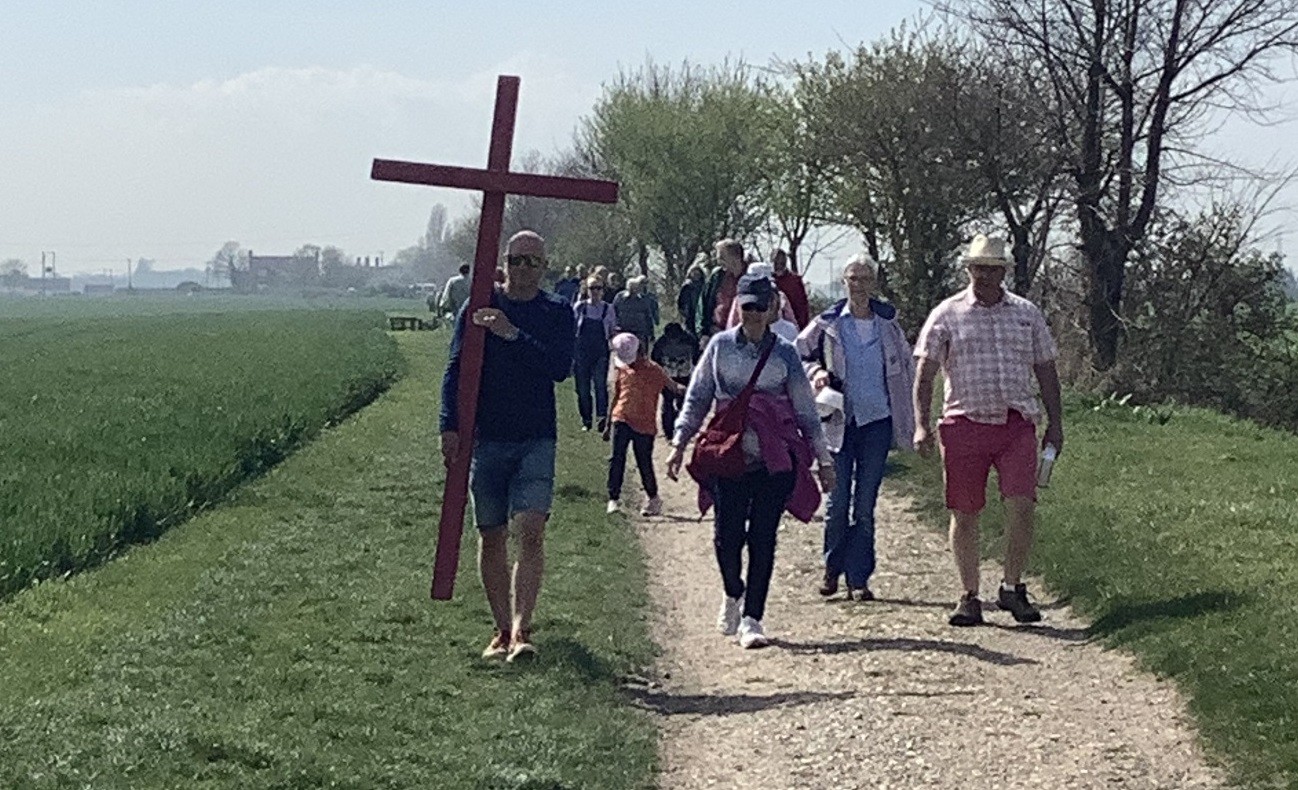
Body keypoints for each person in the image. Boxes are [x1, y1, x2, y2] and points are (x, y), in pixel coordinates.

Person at [667, 270, 836, 649]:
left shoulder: (786, 354)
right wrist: (679, 444)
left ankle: (752, 618)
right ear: (737, 307)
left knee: (763, 538)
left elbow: (806, 411)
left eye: (761, 306)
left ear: (772, 308)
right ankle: (732, 592)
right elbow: (697, 397)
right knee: (727, 538)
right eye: (747, 307)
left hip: (772, 461)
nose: (754, 314)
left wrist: (823, 460)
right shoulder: (720, 348)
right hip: (729, 456)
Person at [912, 234, 1063, 627]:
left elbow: (1046, 369)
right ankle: (969, 593)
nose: (986, 275)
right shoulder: (947, 314)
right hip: (964, 423)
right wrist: (921, 425)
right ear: (969, 269)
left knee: (1022, 504)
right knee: (965, 511)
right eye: (979, 268)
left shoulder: (1026, 314)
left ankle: (1012, 586)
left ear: (1004, 272)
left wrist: (1056, 424)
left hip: (1016, 423)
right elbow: (925, 372)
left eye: (993, 269)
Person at [440, 230, 576, 662]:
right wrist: (449, 424)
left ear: (544, 267)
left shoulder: (555, 311)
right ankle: (500, 629)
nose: (522, 270)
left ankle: (522, 628)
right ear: (504, 263)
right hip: (488, 435)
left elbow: (558, 368)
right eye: (516, 261)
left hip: (536, 434)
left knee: (531, 528)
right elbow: (455, 367)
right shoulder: (479, 308)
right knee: (491, 532)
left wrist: (512, 334)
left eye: (531, 262)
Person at [796, 254, 916, 601]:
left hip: (876, 422)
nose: (858, 285)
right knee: (837, 501)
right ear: (844, 282)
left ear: (873, 283)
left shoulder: (888, 326)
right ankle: (833, 568)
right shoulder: (829, 323)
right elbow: (799, 353)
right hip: (838, 424)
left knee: (864, 505)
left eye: (864, 279)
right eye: (852, 278)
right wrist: (816, 373)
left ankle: (859, 578)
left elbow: (905, 370)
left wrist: (909, 422)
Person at [605, 333, 682, 516]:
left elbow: (673, 387)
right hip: (621, 418)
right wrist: (609, 423)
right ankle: (613, 498)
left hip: (645, 424)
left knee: (644, 462)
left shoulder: (654, 370)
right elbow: (616, 396)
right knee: (617, 458)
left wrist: (699, 392)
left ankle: (653, 498)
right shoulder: (621, 369)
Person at [572, 276, 616, 432]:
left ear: (603, 291)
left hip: (600, 351)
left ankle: (601, 419)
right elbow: (572, 329)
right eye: (592, 288)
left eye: (598, 288)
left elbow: (612, 331)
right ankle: (586, 419)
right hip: (581, 352)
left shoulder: (608, 309)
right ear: (587, 290)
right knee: (582, 389)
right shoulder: (579, 307)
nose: (595, 292)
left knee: (600, 386)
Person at [651, 321, 700, 439]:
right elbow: (697, 357)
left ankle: (671, 431)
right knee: (678, 403)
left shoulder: (662, 342)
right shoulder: (690, 340)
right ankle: (678, 430)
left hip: (672, 376)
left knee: (670, 403)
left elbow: (655, 359)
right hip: (679, 376)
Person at [702, 239, 747, 337]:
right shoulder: (717, 276)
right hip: (716, 331)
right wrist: (704, 332)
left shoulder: (750, 275)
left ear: (736, 257)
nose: (718, 261)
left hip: (743, 334)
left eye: (722, 257)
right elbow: (704, 305)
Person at [612, 275, 657, 347]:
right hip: (623, 331)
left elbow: (648, 317)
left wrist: (651, 334)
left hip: (640, 333)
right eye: (631, 288)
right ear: (627, 288)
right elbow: (613, 312)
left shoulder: (642, 300)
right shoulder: (620, 297)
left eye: (635, 288)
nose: (633, 290)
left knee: (640, 355)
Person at [772, 249, 811, 328]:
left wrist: (803, 326)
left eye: (782, 262)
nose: (779, 265)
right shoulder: (767, 281)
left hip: (793, 326)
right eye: (776, 262)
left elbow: (803, 306)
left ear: (786, 262)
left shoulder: (795, 281)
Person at [677, 261, 708, 338]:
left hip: (702, 315)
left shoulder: (705, 286)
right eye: (694, 273)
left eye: (698, 273)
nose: (696, 275)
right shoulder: (687, 287)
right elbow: (680, 302)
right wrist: (685, 312)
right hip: (689, 316)